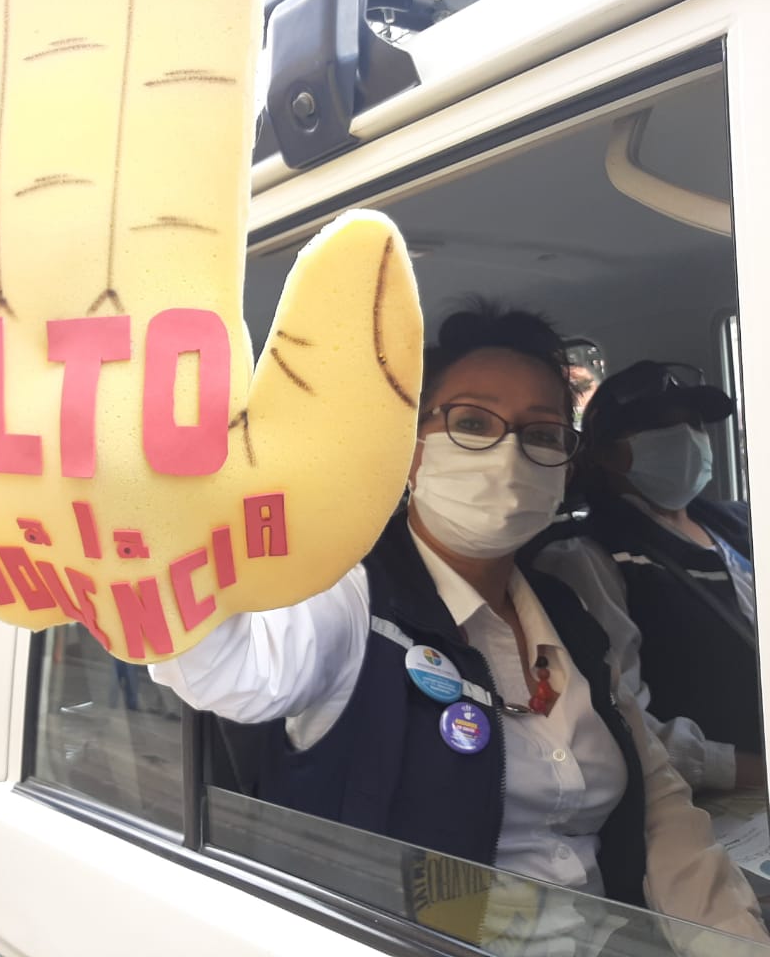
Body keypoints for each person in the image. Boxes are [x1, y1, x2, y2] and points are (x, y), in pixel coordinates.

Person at [151, 303, 767, 940]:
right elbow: (228, 666)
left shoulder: (571, 617)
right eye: (471, 422)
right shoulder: (352, 597)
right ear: (410, 450)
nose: (508, 455)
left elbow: (662, 810)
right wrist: (161, 532)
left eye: (543, 433)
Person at [534, 362, 762, 793]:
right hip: (722, 799)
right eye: (660, 427)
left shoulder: (738, 523)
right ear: (603, 453)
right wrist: (748, 771)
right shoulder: (586, 557)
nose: (689, 439)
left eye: (694, 423)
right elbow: (625, 719)